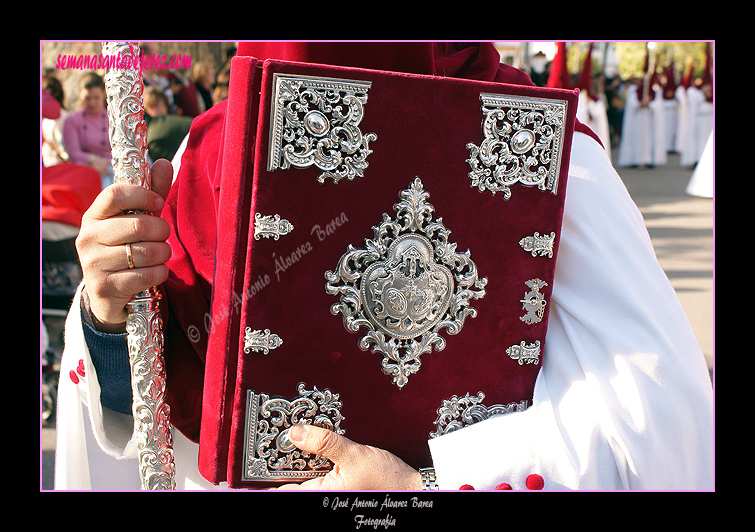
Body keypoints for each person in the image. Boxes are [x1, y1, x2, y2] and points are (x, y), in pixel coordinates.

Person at [54, 42, 713, 491]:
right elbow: (148, 414)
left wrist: (425, 485)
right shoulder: (204, 154)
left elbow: (656, 423)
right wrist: (110, 310)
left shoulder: (550, 154)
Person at [61, 72, 113, 188]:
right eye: (87, 98)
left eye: (96, 97)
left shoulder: (113, 118)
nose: (92, 103)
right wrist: (93, 160)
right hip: (87, 169)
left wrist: (108, 162)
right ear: (81, 95)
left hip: (112, 167)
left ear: (104, 94)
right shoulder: (72, 121)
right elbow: (74, 153)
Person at [143, 86, 194, 163]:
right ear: (146, 108)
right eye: (154, 106)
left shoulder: (155, 135)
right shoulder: (154, 135)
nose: (161, 109)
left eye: (163, 105)